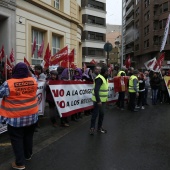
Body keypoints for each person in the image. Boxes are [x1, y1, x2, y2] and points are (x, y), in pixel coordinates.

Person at [0, 62, 38, 170]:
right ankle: (28, 155)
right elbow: (32, 76)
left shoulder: (9, 83)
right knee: (28, 136)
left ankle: (20, 163)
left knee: (17, 139)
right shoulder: (33, 80)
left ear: (14, 71)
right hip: (32, 116)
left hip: (15, 118)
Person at [90, 66, 109, 135]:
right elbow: (96, 90)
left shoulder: (105, 78)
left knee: (102, 114)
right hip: (98, 101)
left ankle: (99, 127)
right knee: (95, 115)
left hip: (103, 100)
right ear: (104, 72)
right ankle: (92, 128)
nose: (108, 73)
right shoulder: (99, 79)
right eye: (107, 71)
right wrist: (98, 101)